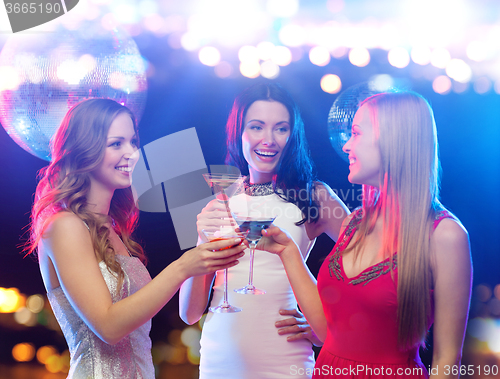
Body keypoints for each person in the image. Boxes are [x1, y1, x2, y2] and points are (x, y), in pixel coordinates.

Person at [26, 99, 246, 379]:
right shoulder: (64, 225)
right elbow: (108, 327)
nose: (132, 153)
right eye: (116, 144)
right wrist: (183, 267)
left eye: (133, 142)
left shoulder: (113, 228)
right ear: (83, 149)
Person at [259, 91, 472, 378]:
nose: (346, 146)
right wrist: (289, 253)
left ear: (394, 140)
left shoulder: (445, 235)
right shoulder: (354, 223)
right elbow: (329, 332)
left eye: (356, 133)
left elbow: (447, 359)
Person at [179, 83, 350, 378]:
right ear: (238, 132)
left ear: (292, 135)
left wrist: (328, 326)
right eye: (256, 127)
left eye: (281, 129)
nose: (269, 140)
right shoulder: (221, 198)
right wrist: (201, 241)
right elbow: (190, 312)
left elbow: (369, 270)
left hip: (285, 361)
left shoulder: (314, 196)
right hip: (219, 360)